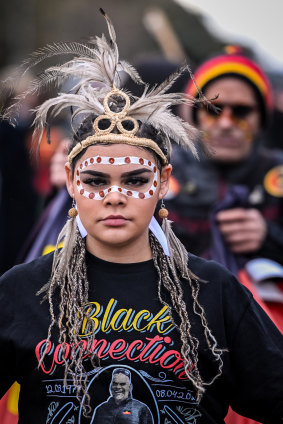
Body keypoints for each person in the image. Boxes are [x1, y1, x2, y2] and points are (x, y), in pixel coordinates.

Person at [0, 10, 283, 424]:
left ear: (164, 181)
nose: (115, 196)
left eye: (135, 180)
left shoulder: (215, 293)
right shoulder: (23, 290)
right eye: (96, 180)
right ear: (70, 181)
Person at [166, 49, 283, 273]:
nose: (226, 123)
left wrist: (269, 238)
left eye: (241, 111)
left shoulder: (277, 174)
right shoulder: (158, 173)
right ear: (195, 116)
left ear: (261, 119)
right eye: (213, 109)